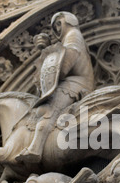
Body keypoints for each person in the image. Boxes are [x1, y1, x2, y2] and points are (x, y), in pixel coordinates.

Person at [17, 11, 95, 163]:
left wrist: (49, 53)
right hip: (70, 82)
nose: (58, 28)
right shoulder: (67, 39)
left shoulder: (73, 34)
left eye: (60, 23)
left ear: (69, 21)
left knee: (50, 110)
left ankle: (35, 149)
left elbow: (65, 65)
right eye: (55, 26)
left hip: (78, 83)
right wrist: (45, 50)